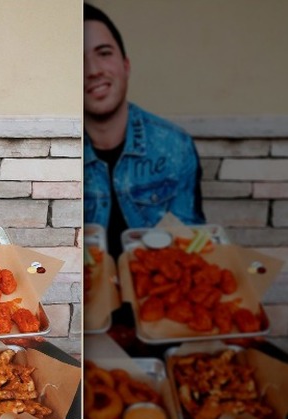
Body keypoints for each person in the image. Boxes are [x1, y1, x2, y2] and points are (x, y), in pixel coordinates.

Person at [84, 3, 204, 258]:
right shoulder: (61, 156)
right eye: (77, 60)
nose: (93, 70)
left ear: (126, 65)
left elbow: (192, 246)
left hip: (157, 290)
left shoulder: (174, 146)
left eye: (103, 53)